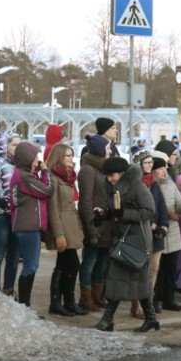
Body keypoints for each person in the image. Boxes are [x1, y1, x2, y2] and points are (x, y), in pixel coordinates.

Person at [94, 157, 158, 333]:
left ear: (122, 173)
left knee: (120, 276)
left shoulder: (138, 187)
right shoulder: (113, 189)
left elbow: (148, 210)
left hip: (137, 240)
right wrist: (103, 214)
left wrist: (123, 213)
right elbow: (113, 212)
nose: (109, 179)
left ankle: (107, 319)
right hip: (122, 238)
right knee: (136, 280)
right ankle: (151, 318)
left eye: (112, 175)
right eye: (107, 176)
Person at [44, 143, 88, 316]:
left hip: (70, 224)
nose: (71, 158)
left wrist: (79, 227)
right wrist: (59, 234)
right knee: (70, 264)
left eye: (72, 155)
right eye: (67, 156)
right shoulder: (53, 177)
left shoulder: (68, 176)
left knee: (65, 264)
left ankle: (64, 302)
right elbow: (53, 209)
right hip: (61, 226)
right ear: (59, 157)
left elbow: (72, 205)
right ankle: (59, 302)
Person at [10, 142, 55, 308]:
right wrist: (45, 170)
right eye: (35, 159)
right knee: (30, 266)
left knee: (31, 265)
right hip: (27, 226)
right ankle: (25, 306)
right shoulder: (24, 177)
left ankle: (25, 305)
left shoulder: (23, 174)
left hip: (27, 225)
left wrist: (38, 169)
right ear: (27, 159)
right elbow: (47, 191)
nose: (38, 162)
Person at [152, 150, 181, 312]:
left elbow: (179, 208)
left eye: (165, 168)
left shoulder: (170, 184)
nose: (165, 170)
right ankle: (154, 300)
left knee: (171, 269)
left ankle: (169, 299)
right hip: (158, 233)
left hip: (173, 234)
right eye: (161, 168)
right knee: (156, 270)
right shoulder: (149, 186)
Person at [78, 130, 114, 312]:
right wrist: (91, 228)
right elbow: (86, 201)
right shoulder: (88, 170)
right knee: (90, 261)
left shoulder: (103, 169)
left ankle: (96, 294)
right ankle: (85, 297)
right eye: (107, 148)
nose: (110, 151)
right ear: (99, 150)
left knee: (102, 261)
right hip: (95, 225)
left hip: (107, 224)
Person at [131, 151, 169, 319]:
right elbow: (134, 209)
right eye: (146, 163)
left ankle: (148, 301)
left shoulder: (154, 184)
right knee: (140, 270)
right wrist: (152, 225)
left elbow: (161, 206)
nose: (150, 166)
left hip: (156, 235)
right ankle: (137, 304)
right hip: (140, 233)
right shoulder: (133, 184)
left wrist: (164, 225)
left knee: (154, 269)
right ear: (139, 164)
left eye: (151, 163)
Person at [0, 132, 21, 296]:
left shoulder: (22, 166)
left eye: (20, 144)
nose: (17, 148)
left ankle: (8, 289)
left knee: (14, 255)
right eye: (14, 145)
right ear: (5, 146)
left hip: (18, 216)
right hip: (0, 216)